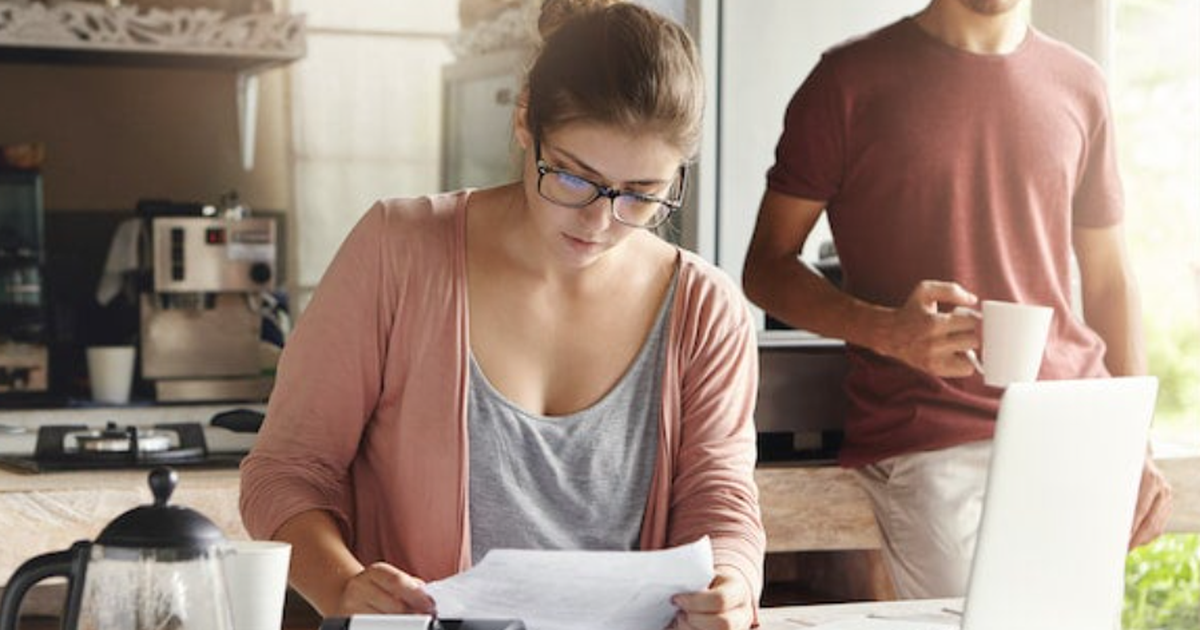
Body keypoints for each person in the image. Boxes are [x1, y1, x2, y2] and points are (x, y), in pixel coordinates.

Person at [240, 2, 765, 628]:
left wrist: (732, 583)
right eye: (573, 178)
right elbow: (286, 474)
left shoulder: (705, 309)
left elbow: (721, 502)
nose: (600, 222)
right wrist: (346, 588)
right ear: (525, 121)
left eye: (641, 195)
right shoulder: (398, 251)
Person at [742, 0, 1173, 599]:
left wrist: (1135, 439)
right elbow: (765, 267)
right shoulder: (845, 83)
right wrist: (884, 329)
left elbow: (1107, 277)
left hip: (1075, 428)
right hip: (930, 441)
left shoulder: (1082, 85)